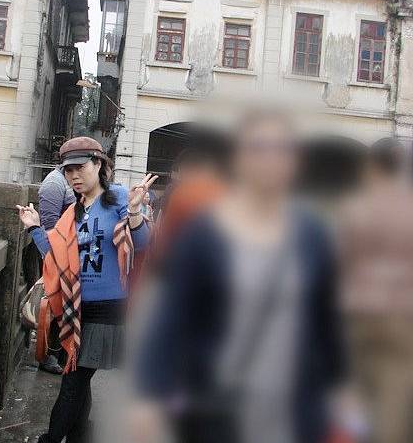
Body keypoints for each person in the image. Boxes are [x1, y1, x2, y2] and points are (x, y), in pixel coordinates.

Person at [132, 110, 346, 443]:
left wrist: (339, 390)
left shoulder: (311, 234)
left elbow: (325, 318)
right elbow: (172, 313)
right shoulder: (205, 230)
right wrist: (151, 395)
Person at [17, 136, 157, 443]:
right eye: (68, 171)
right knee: (78, 383)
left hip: (107, 310)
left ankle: (50, 439)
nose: (74, 176)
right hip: (76, 310)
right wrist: (34, 227)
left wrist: (135, 212)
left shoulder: (119, 197)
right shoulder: (74, 211)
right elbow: (54, 255)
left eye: (80, 167)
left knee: (73, 383)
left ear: (99, 165)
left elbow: (143, 244)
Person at [339, 138, 413, 443]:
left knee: (360, 395)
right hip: (401, 316)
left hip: (359, 314)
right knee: (394, 397)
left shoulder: (355, 208)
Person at [37, 166, 76, 375]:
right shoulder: (54, 183)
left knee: (65, 305)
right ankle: (49, 354)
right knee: (54, 305)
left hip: (69, 255)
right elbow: (50, 226)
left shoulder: (68, 181)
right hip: (58, 255)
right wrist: (54, 258)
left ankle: (59, 351)